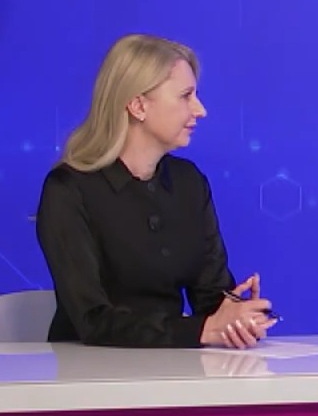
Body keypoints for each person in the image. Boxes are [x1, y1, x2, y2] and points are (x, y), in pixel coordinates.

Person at [35, 34, 276, 349]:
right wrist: (201, 330)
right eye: (186, 96)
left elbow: (210, 297)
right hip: (88, 372)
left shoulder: (189, 183)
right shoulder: (68, 190)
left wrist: (236, 315)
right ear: (138, 105)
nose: (200, 110)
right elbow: (93, 320)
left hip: (171, 367)